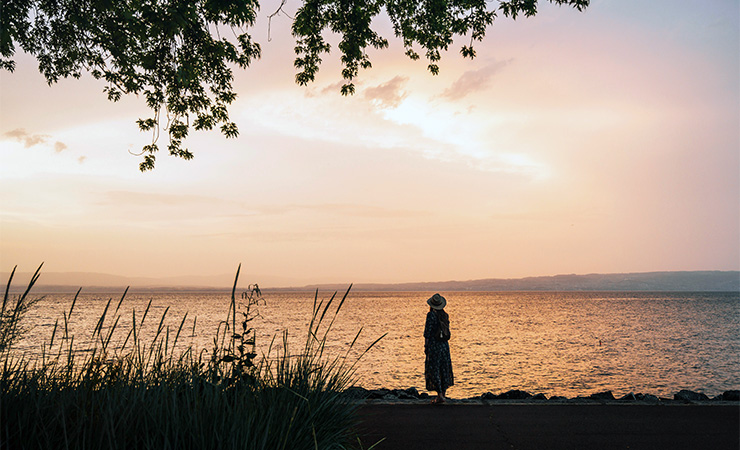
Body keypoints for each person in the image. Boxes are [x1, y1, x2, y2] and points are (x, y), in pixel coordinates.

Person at [424, 293, 454, 404]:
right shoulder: (445, 315)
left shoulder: (431, 315)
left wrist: (426, 346)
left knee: (434, 368)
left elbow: (427, 333)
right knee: (444, 368)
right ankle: (444, 394)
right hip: (444, 345)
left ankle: (440, 395)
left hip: (434, 345)